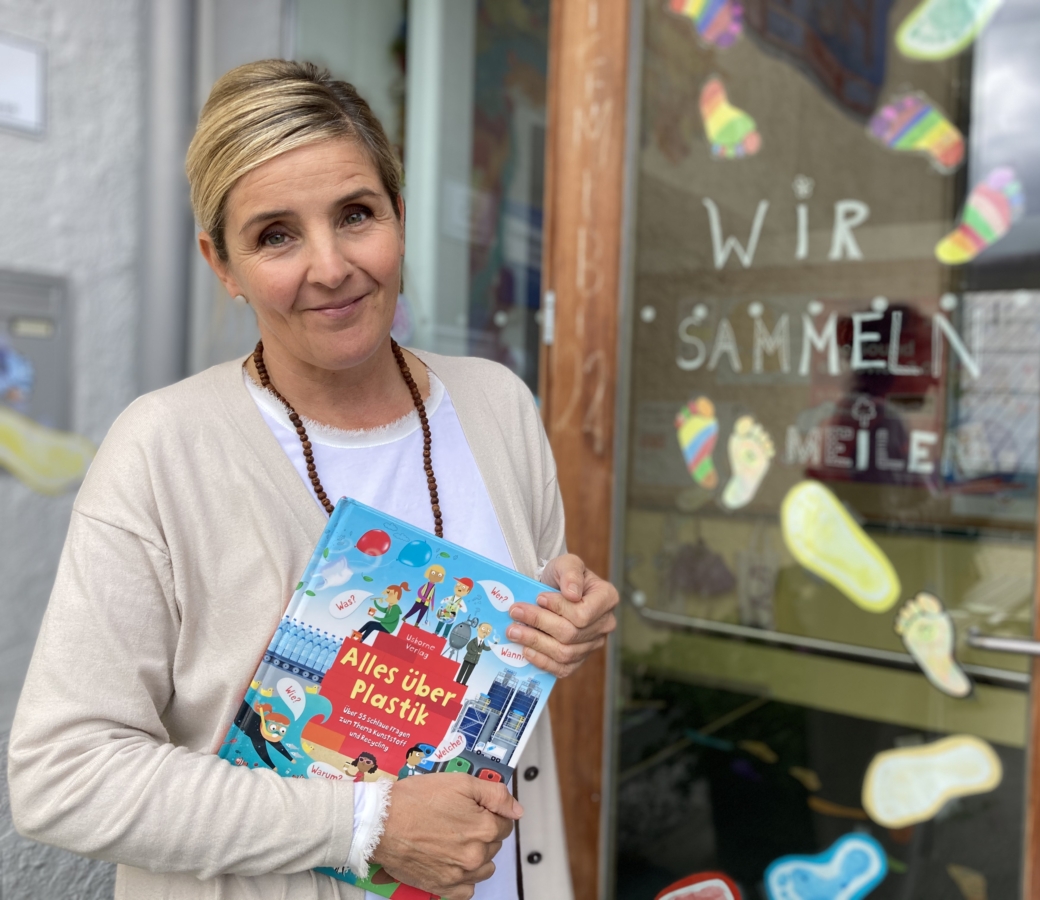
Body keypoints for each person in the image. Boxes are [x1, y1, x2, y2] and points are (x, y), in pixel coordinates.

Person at [7, 60, 618, 900]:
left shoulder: (498, 404)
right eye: (276, 235)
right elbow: (61, 777)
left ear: (399, 216)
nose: (331, 267)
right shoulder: (163, 449)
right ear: (221, 262)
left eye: (356, 214)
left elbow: (518, 643)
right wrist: (364, 824)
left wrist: (564, 626)